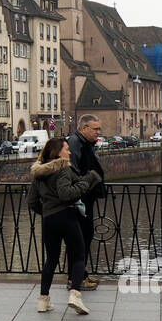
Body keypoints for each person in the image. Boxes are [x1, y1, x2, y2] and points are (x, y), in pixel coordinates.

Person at [28, 136, 102, 316]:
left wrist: (47, 211)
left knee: (51, 259)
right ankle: (75, 295)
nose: (69, 152)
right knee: (78, 255)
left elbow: (32, 201)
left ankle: (43, 300)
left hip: (49, 219)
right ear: (57, 151)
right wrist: (88, 180)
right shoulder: (63, 168)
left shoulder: (39, 173)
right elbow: (66, 194)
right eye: (66, 148)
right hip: (66, 216)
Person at [65, 114, 107, 290]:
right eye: (95, 129)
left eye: (99, 129)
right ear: (84, 128)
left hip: (86, 197)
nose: (98, 132)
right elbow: (73, 169)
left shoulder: (85, 143)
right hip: (80, 199)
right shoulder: (75, 143)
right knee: (80, 239)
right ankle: (75, 278)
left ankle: (81, 274)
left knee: (85, 237)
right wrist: (85, 184)